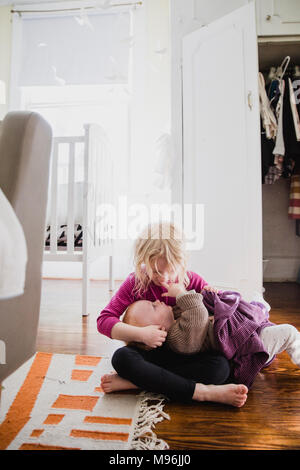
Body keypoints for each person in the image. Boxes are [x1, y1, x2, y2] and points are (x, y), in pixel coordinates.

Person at [97, 222, 248, 407]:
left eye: (171, 271)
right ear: (144, 261)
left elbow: (213, 319)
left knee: (220, 368)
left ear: (182, 262)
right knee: (121, 358)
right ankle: (202, 392)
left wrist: (213, 298)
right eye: (157, 271)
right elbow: (104, 320)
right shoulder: (135, 283)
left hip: (187, 354)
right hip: (152, 352)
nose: (165, 279)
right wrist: (142, 335)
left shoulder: (192, 280)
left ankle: (137, 382)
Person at [110, 281, 300, 391]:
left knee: (255, 306)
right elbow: (198, 314)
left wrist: (210, 292)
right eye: (153, 306)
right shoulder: (178, 338)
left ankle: (261, 328)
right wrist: (182, 294)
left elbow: (201, 301)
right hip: (244, 341)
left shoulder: (174, 319)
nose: (158, 301)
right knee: (289, 333)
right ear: (157, 328)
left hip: (242, 333)